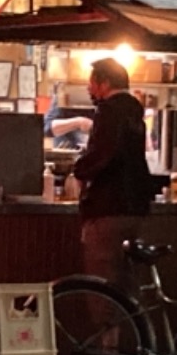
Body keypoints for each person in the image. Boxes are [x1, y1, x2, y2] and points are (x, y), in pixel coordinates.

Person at [73, 58, 152, 298]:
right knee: (127, 283)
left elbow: (103, 154)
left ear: (105, 83)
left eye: (92, 83)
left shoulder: (109, 110)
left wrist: (79, 169)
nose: (89, 88)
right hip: (136, 208)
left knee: (102, 283)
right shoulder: (135, 111)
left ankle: (107, 335)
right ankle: (135, 334)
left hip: (108, 207)